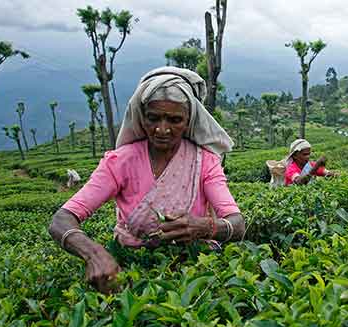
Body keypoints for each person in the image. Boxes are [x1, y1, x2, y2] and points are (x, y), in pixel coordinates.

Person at [48, 67, 245, 294]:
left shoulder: (205, 162)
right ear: (141, 117)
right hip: (130, 268)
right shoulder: (121, 162)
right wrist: (95, 254)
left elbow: (237, 223)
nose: (162, 129)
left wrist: (205, 227)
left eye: (174, 120)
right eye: (153, 118)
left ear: (189, 120)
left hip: (194, 270)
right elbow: (61, 220)